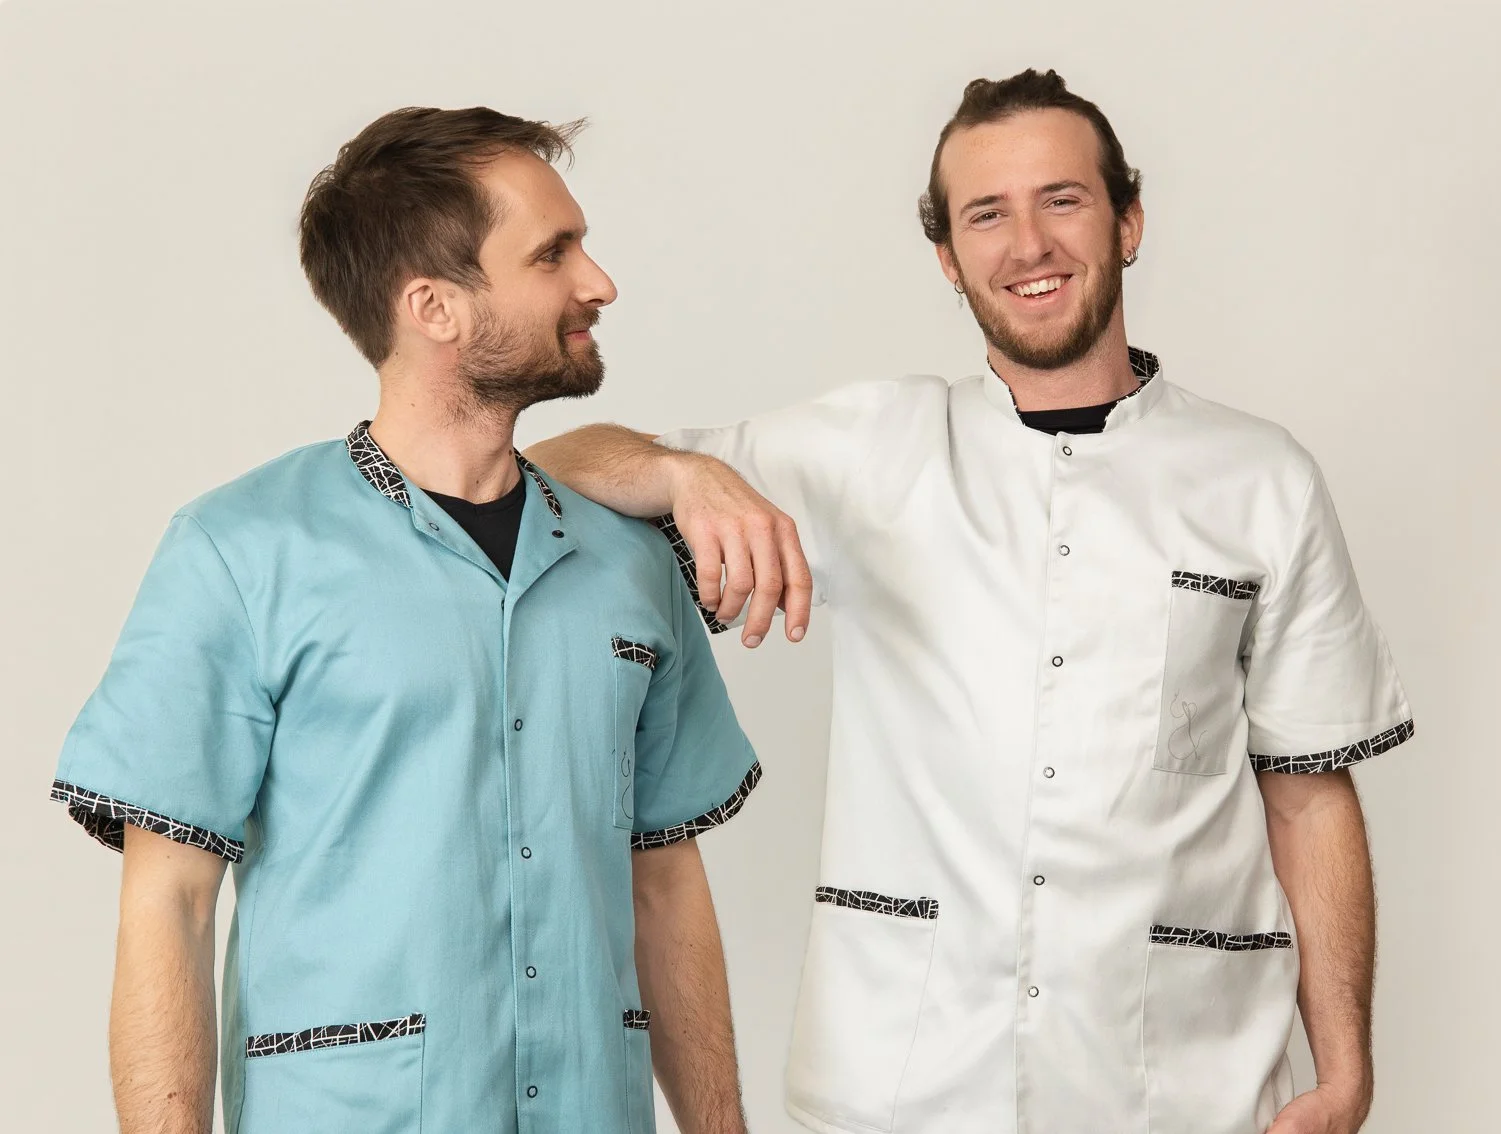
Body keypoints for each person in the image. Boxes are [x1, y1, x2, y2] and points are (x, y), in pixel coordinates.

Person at [525, 69, 1414, 1134]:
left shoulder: (1260, 479)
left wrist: (1345, 1075)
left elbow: (1307, 789)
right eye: (985, 214)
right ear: (947, 257)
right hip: (901, 1081)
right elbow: (551, 464)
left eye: (1062, 199)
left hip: (1186, 1085)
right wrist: (686, 476)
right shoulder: (864, 449)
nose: (1025, 243)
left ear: (1127, 220)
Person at [49, 106, 758, 1134]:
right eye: (552, 253)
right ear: (433, 306)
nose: (596, 282)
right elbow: (171, 903)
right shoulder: (240, 551)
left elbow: (665, 883)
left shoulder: (632, 564)